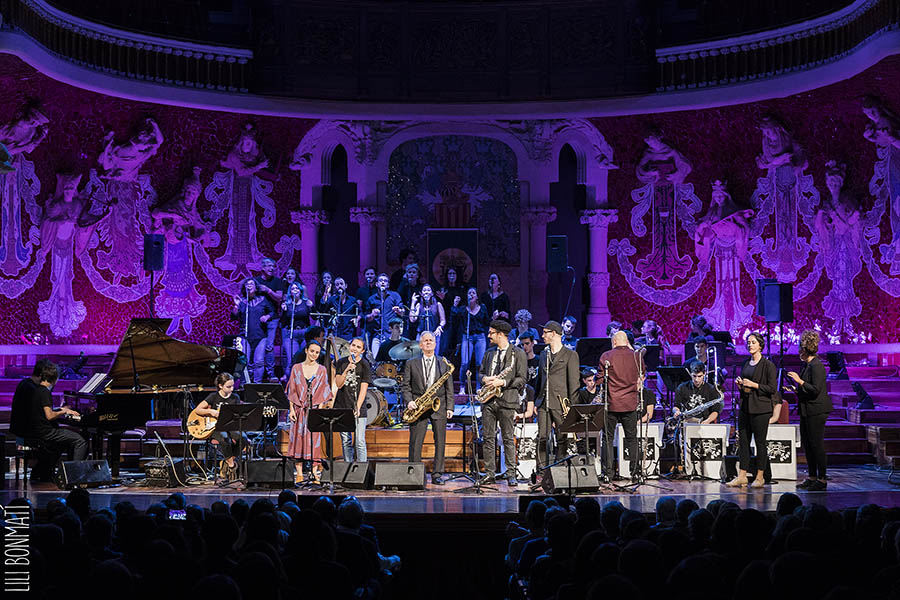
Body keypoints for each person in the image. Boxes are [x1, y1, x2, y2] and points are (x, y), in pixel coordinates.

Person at [401, 331, 454, 485]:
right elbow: (406, 386)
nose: (429, 342)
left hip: (440, 405)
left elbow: (449, 388)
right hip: (418, 405)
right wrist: (409, 401)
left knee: (440, 441)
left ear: (435, 344)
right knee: (415, 441)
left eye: (431, 340)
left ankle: (437, 474)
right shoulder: (411, 363)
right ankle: (414, 473)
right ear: (420, 345)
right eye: (426, 340)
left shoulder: (444, 363)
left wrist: (450, 407)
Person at [18, 361, 86, 481]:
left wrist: (59, 409)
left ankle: (42, 471)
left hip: (37, 429)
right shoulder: (44, 392)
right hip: (46, 432)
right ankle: (75, 476)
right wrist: (64, 411)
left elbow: (43, 410)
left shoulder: (37, 390)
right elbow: (49, 416)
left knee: (61, 444)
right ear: (55, 379)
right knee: (80, 441)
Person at [727, 332, 778, 488]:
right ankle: (742, 475)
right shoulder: (746, 363)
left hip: (761, 409)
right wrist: (741, 385)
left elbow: (772, 389)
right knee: (744, 442)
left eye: (753, 342)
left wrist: (753, 385)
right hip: (746, 407)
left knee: (760, 443)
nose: (750, 345)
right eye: (748, 342)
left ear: (760, 345)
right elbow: (746, 387)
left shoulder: (768, 365)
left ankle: (760, 476)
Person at [479, 320, 526, 487]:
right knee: (488, 438)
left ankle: (511, 473)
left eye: (491, 333)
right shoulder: (489, 353)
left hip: (507, 399)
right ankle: (489, 473)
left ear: (500, 334)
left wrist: (503, 383)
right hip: (488, 400)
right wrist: (485, 379)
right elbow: (481, 373)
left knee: (507, 438)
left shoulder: (518, 354)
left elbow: (522, 378)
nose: (489, 335)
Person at [533, 321, 581, 481]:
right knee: (542, 437)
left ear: (553, 334)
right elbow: (539, 380)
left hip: (561, 404)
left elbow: (574, 384)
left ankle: (559, 469)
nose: (542, 335)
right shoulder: (543, 355)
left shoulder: (570, 355)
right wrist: (535, 401)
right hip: (543, 402)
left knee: (561, 437)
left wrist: (572, 409)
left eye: (545, 332)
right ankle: (542, 471)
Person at [787, 330, 832, 491]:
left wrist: (799, 381)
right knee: (807, 443)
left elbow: (815, 389)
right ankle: (812, 476)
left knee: (816, 444)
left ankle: (822, 479)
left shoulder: (817, 366)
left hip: (817, 410)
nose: (799, 352)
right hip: (807, 409)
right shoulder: (807, 365)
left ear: (805, 349)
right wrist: (796, 388)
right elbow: (807, 388)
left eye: (800, 348)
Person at [599, 331, 645, 483]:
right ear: (627, 342)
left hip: (611, 404)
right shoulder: (636, 356)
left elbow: (600, 379)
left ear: (613, 342)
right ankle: (635, 473)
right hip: (630, 403)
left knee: (608, 438)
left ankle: (608, 474)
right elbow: (641, 375)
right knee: (632, 438)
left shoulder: (607, 356)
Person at [286, 340, 332, 483]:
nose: (314, 354)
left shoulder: (322, 370)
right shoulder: (296, 368)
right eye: (312, 351)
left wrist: (318, 413)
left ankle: (314, 472)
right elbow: (291, 390)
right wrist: (291, 409)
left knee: (314, 441)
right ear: (306, 350)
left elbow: (323, 392)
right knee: (297, 441)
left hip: (313, 411)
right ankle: (299, 473)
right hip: (299, 411)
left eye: (317, 352)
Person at [193, 373, 242, 481]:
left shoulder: (235, 398)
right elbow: (198, 410)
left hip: (230, 426)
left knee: (242, 438)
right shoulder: (213, 396)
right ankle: (232, 467)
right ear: (220, 386)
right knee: (225, 439)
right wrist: (211, 411)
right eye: (228, 387)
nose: (231, 389)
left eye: (233, 386)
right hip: (216, 427)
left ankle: (227, 461)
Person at [333, 338, 372, 464]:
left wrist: (358, 407)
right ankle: (348, 468)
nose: (355, 348)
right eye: (353, 345)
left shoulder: (365, 364)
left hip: (358, 406)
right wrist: (346, 370)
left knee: (360, 440)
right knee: (346, 440)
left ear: (362, 350)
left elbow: (364, 388)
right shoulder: (341, 362)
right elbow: (338, 384)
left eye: (358, 347)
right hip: (343, 405)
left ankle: (361, 470)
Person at [231, 278, 275, 383]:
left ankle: (257, 384)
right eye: (247, 284)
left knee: (259, 362)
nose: (249, 285)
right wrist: (236, 305)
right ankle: (244, 384)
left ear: (256, 287)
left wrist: (267, 316)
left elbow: (272, 312)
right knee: (243, 361)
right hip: (245, 336)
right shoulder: (241, 301)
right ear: (244, 287)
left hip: (260, 336)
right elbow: (233, 316)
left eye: (251, 284)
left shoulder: (263, 300)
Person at [253, 257, 284, 382]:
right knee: (257, 345)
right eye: (269, 266)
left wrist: (269, 290)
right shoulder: (256, 281)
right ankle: (254, 373)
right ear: (262, 267)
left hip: (272, 318)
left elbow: (279, 298)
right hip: (257, 319)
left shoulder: (277, 282)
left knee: (269, 346)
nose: (271, 268)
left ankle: (270, 373)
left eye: (273, 266)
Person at [453, 287, 489, 391]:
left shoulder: (482, 308)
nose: (471, 295)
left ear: (477, 296)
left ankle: (479, 387)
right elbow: (454, 316)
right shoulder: (464, 309)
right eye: (469, 293)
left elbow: (487, 322)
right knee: (465, 363)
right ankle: (462, 386)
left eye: (473, 293)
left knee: (479, 363)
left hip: (480, 337)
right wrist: (455, 304)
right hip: (467, 337)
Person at [366, 273, 405, 358]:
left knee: (391, 360)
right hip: (377, 334)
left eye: (385, 281)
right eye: (381, 280)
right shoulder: (371, 299)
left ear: (388, 285)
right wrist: (372, 315)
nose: (383, 282)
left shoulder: (395, 296)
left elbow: (403, 313)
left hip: (391, 335)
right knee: (375, 360)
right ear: (376, 284)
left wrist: (398, 311)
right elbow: (366, 318)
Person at [280, 282, 313, 381]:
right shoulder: (288, 304)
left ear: (300, 291)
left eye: (297, 288)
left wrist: (312, 307)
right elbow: (282, 322)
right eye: (293, 289)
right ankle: (291, 381)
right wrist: (284, 311)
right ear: (290, 292)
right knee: (293, 358)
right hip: (291, 333)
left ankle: (302, 381)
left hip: (304, 333)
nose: (295, 290)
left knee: (303, 358)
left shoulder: (306, 303)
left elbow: (314, 317)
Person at [409, 284, 446, 348]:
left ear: (432, 293)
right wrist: (413, 303)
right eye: (424, 290)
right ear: (421, 293)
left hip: (434, 334)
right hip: (421, 335)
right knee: (421, 356)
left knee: (433, 356)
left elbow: (443, 320)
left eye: (428, 290)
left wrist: (439, 327)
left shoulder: (438, 305)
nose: (426, 292)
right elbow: (412, 319)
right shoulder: (419, 305)